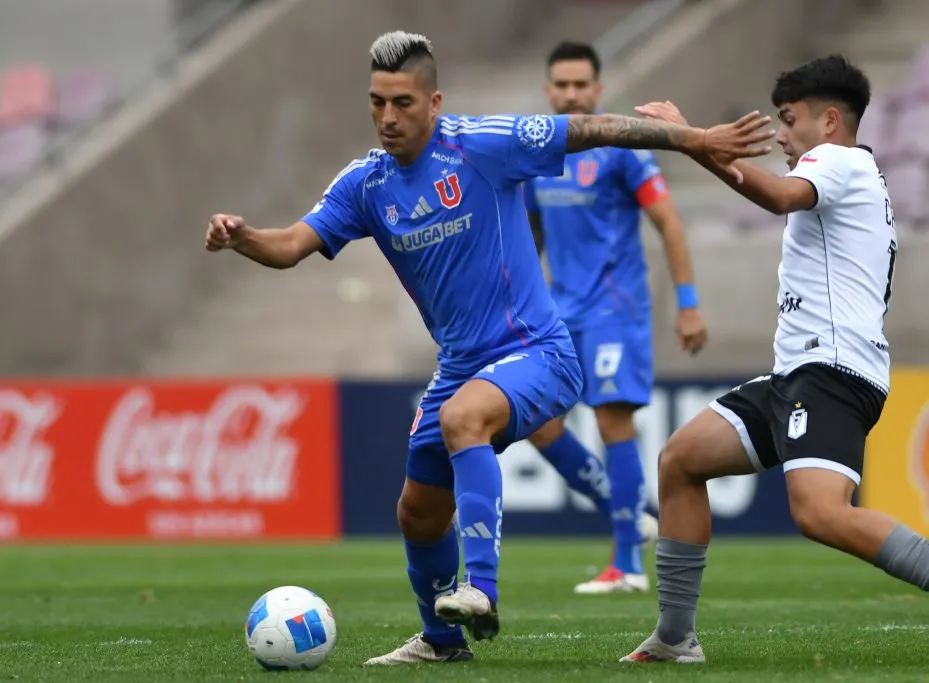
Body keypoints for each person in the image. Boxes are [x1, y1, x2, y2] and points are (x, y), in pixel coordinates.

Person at [204, 30, 773, 666]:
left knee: (463, 418)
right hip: (459, 366)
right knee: (417, 513)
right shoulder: (366, 184)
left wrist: (694, 139)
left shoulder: (483, 144)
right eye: (377, 102)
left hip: (539, 352)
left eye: (402, 103)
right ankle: (442, 641)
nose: (388, 117)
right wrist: (243, 237)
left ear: (434, 102)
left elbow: (593, 129)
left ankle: (483, 587)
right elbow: (291, 245)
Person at [621, 55, 929, 666]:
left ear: (829, 120)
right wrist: (698, 143)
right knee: (682, 460)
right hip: (799, 373)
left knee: (819, 512)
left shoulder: (837, 160)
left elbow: (778, 197)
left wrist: (693, 138)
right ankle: (675, 637)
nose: (782, 134)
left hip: (830, 372)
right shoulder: (854, 173)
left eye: (789, 119)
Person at [523, 41, 708, 595]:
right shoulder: (538, 155)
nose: (571, 94)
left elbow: (668, 222)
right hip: (559, 313)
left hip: (615, 309)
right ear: (548, 90)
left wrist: (688, 303)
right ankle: (626, 514)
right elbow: (532, 235)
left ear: (598, 90)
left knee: (611, 421)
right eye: (562, 85)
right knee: (534, 421)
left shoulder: (622, 149)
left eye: (581, 84)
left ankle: (627, 563)